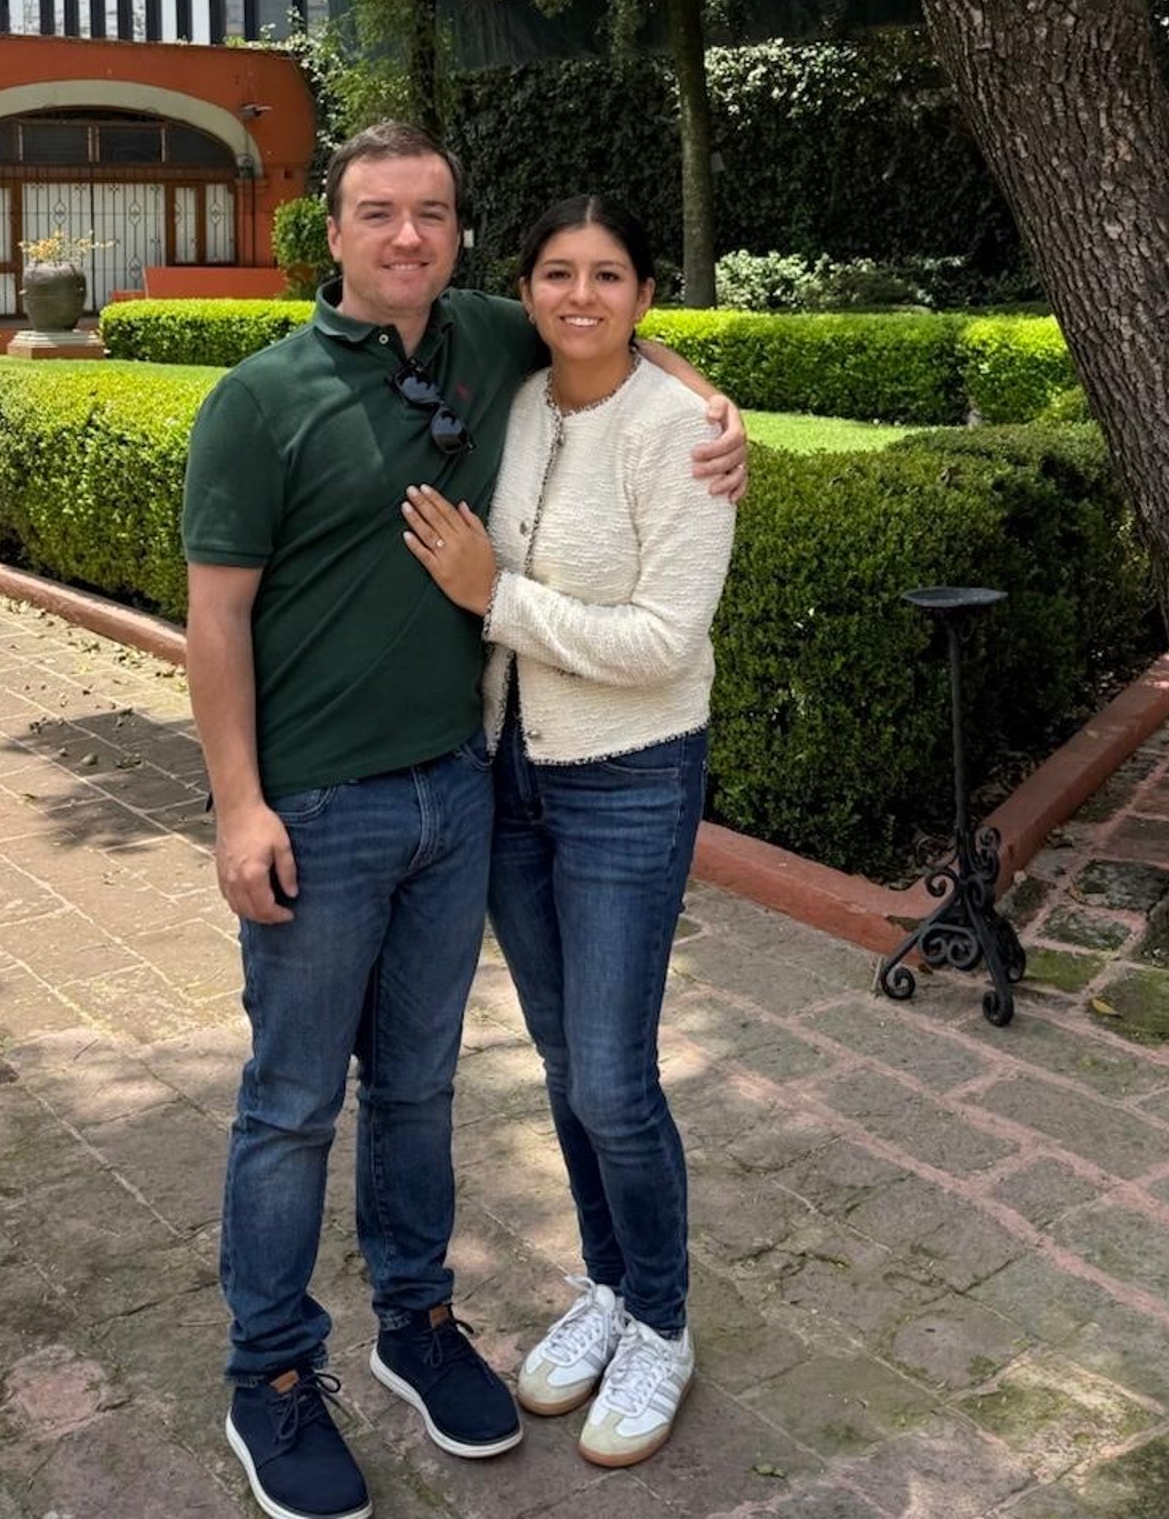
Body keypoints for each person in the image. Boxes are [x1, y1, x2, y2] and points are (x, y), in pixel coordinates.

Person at [181, 127, 746, 1519]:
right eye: (378, 215)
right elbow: (215, 618)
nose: (409, 238)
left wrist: (712, 403)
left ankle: (421, 1322)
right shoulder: (260, 402)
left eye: (432, 215)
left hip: (462, 788)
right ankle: (270, 1373)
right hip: (317, 808)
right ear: (331, 231)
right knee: (294, 1104)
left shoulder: (478, 337)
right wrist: (238, 804)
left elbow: (602, 327)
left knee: (429, 1088)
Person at [403, 195, 736, 1474]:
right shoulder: (518, 398)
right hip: (513, 776)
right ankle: (606, 1285)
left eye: (609, 276)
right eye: (557, 273)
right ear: (526, 288)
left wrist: (499, 600)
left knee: (612, 1073)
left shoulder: (683, 437)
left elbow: (664, 644)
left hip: (630, 777)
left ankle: (662, 1315)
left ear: (646, 294)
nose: (580, 296)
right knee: (556, 1058)